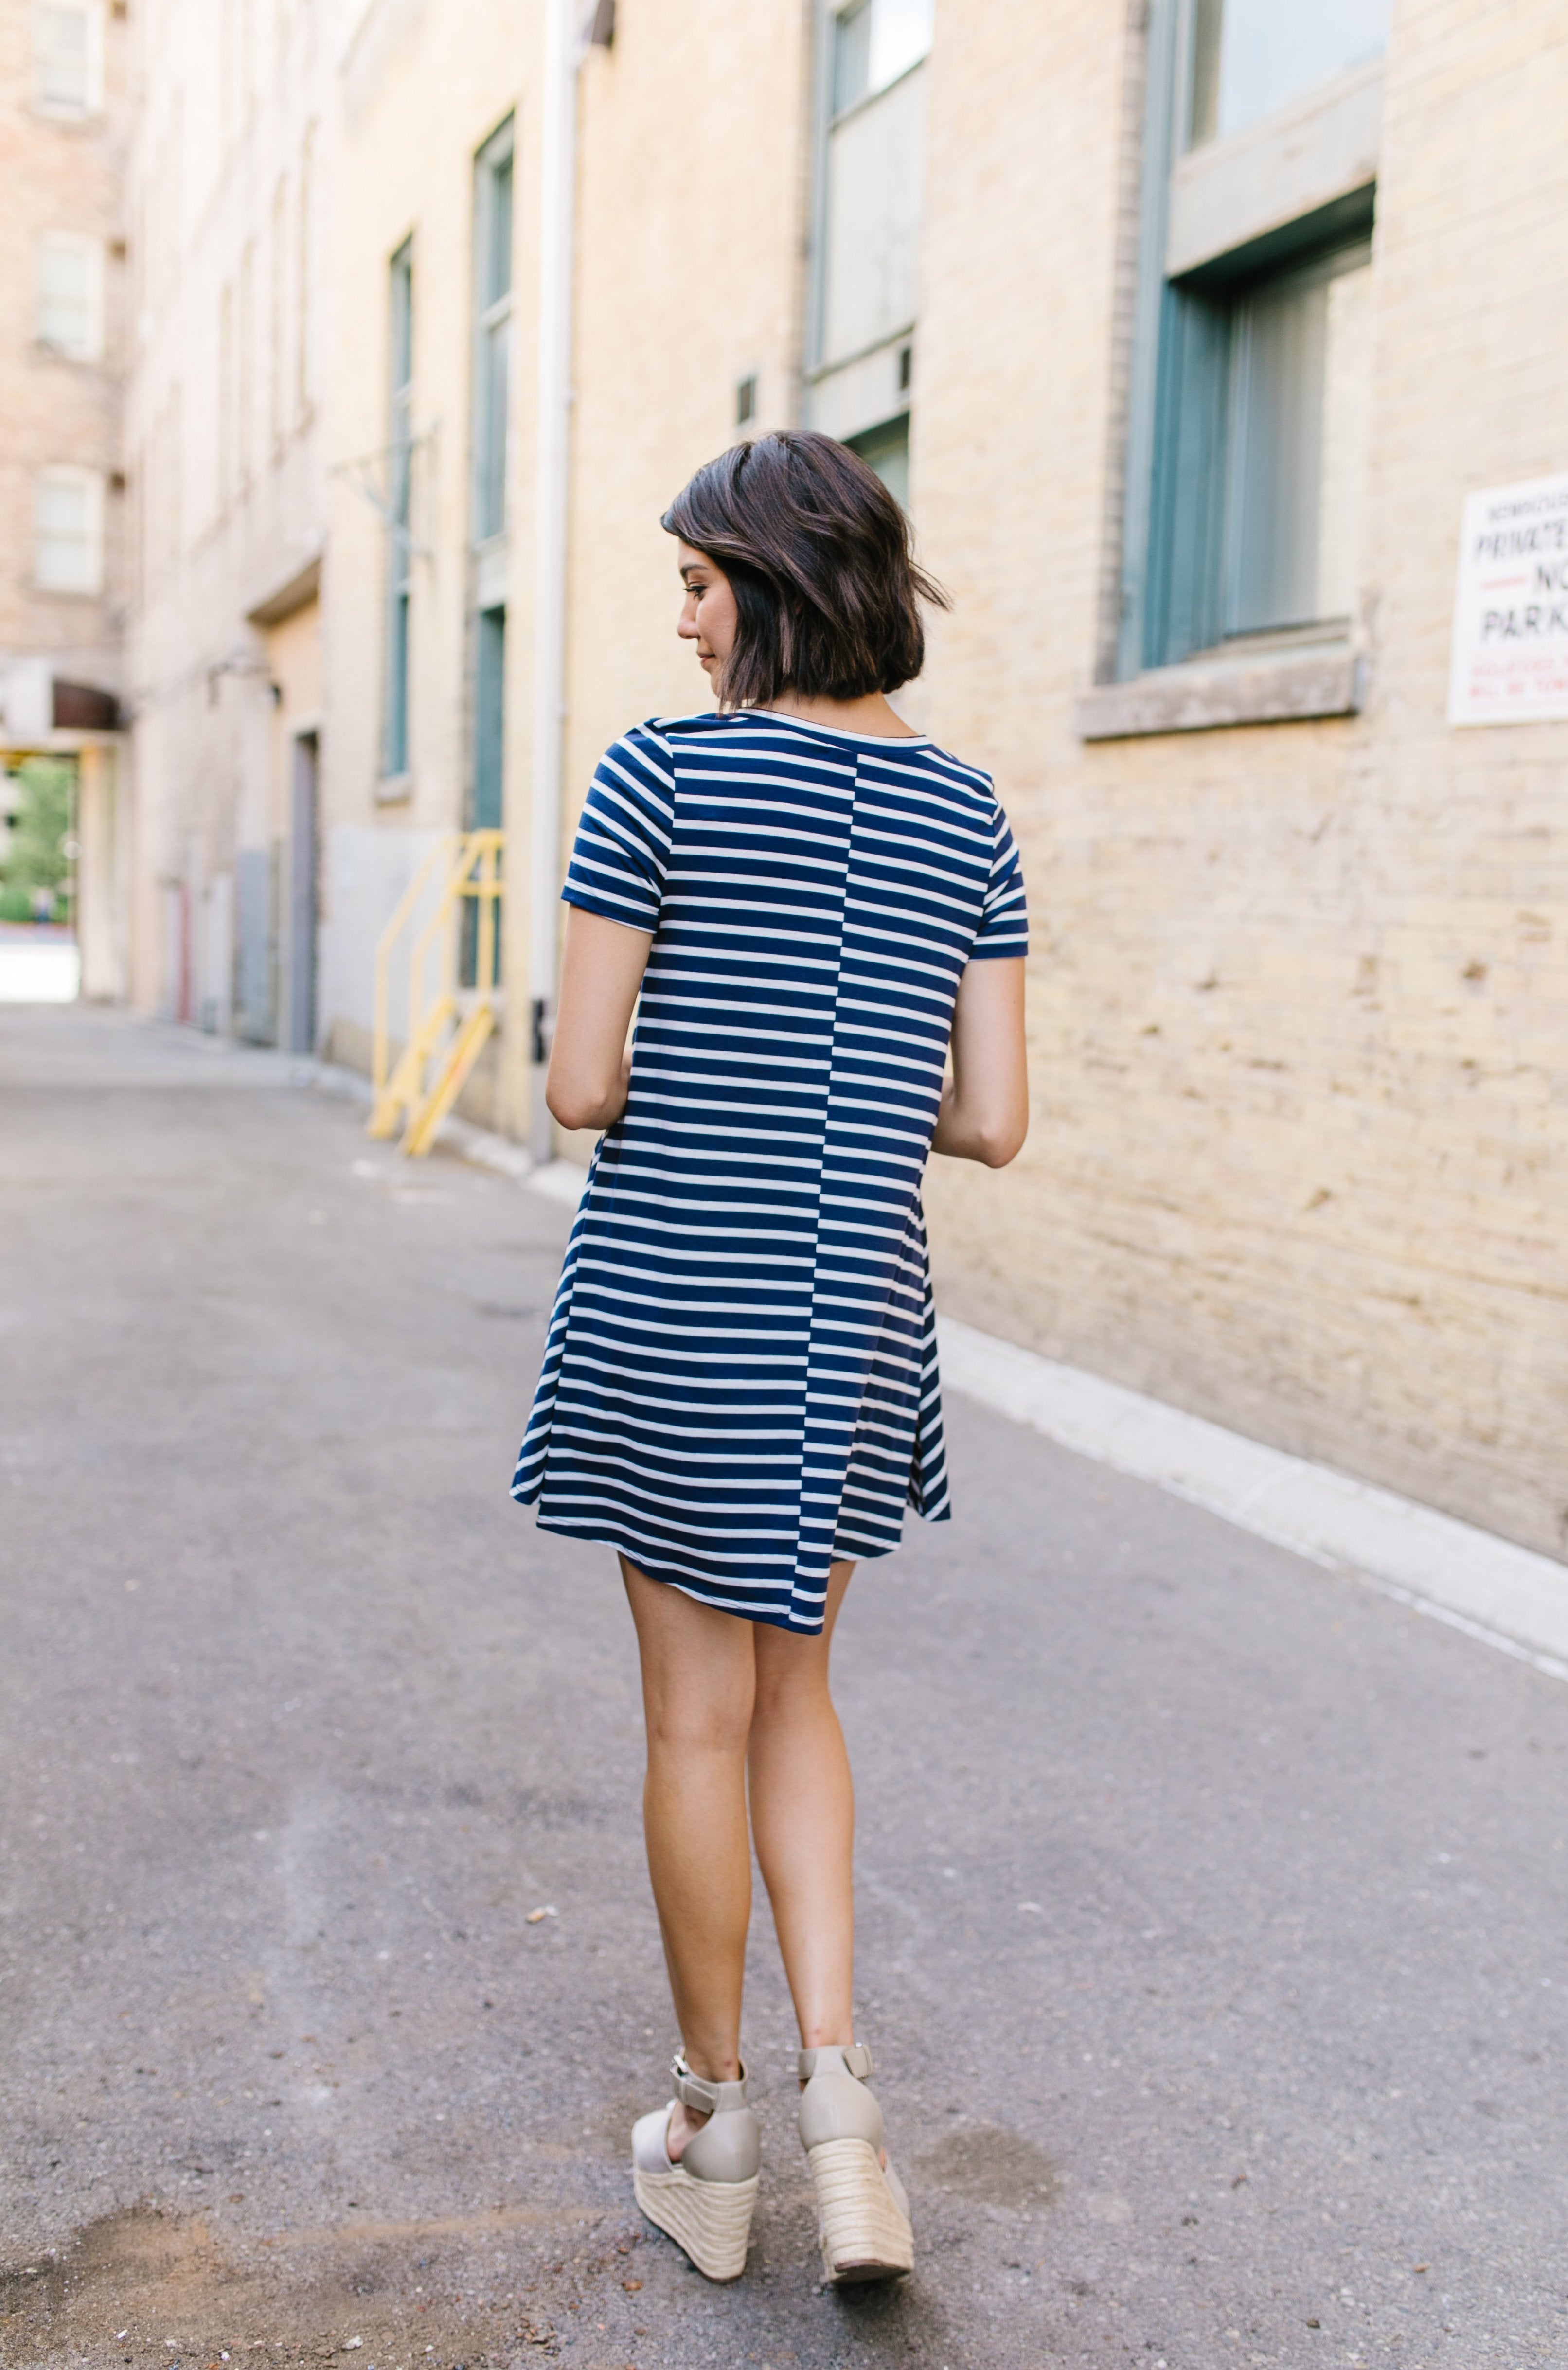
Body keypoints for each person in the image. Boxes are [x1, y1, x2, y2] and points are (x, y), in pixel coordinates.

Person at [512, 430, 1028, 2286]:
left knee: (691, 1719)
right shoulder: (970, 814)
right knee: (801, 1700)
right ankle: (847, 2108)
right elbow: (991, 1123)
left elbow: (580, 1084)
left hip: (682, 1303)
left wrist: (712, 1080)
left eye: (697, 585)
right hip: (849, 1310)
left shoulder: (657, 781)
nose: (680, 621)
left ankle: (713, 2133)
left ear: (779, 580)